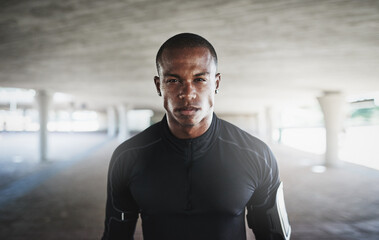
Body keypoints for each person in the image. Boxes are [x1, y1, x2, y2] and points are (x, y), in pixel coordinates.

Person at [102, 33, 291, 240]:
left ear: (216, 83)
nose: (188, 93)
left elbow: (276, 236)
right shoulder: (128, 157)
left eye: (200, 79)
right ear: (159, 86)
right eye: (173, 80)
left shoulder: (256, 155)